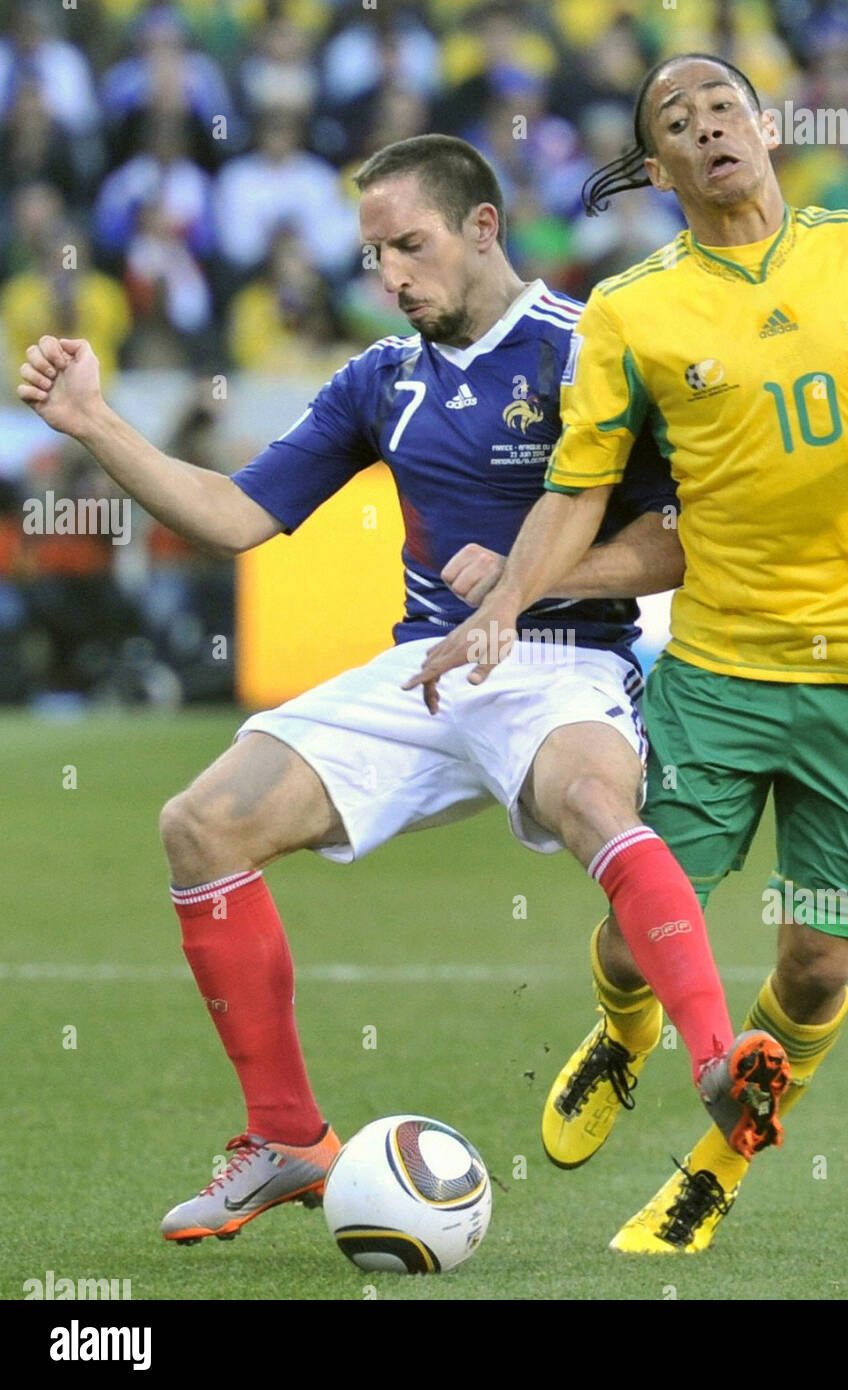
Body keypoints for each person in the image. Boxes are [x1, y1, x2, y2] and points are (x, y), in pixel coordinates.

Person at [17, 134, 785, 1248]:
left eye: (408, 246)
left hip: (561, 661)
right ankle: (286, 1139)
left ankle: (718, 1059)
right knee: (199, 826)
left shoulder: (588, 350)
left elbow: (674, 545)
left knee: (591, 802)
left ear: (483, 227)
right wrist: (95, 423)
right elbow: (236, 518)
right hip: (424, 669)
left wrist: (528, 581)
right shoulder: (380, 379)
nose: (389, 275)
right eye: (373, 254)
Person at [408, 57, 848, 1254]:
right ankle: (624, 1030)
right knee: (640, 922)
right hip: (720, 674)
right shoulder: (632, 311)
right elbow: (579, 490)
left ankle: (711, 1170)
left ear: (766, 126)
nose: (706, 128)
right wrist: (507, 602)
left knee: (813, 961)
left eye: (722, 108)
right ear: (655, 169)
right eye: (675, 122)